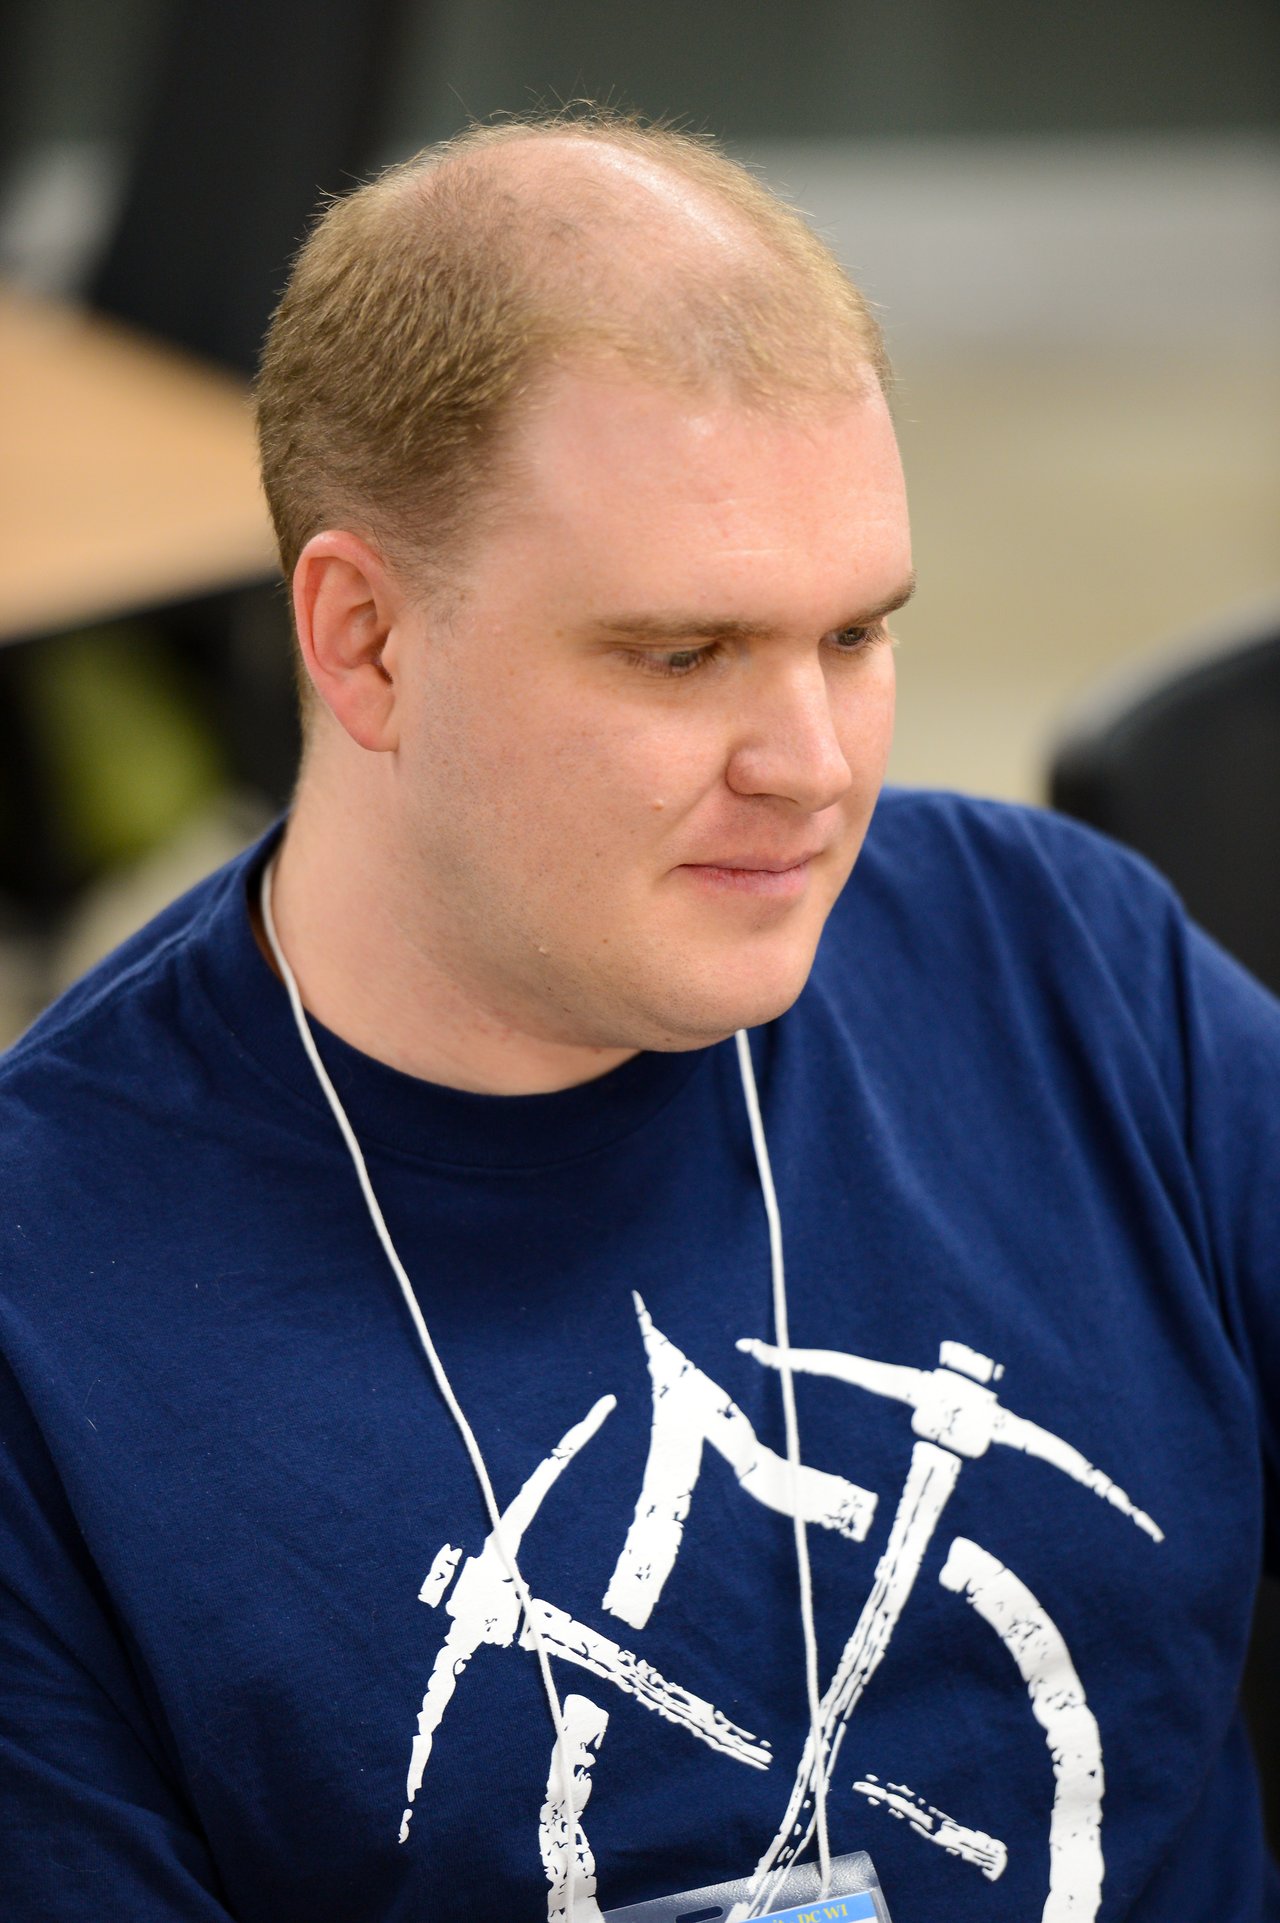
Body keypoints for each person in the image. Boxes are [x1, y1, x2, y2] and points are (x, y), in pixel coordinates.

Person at [1, 110, 1277, 1923]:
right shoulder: (45, 1317)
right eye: (681, 657)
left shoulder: (1067, 963)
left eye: (854, 637)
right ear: (362, 641)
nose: (814, 772)